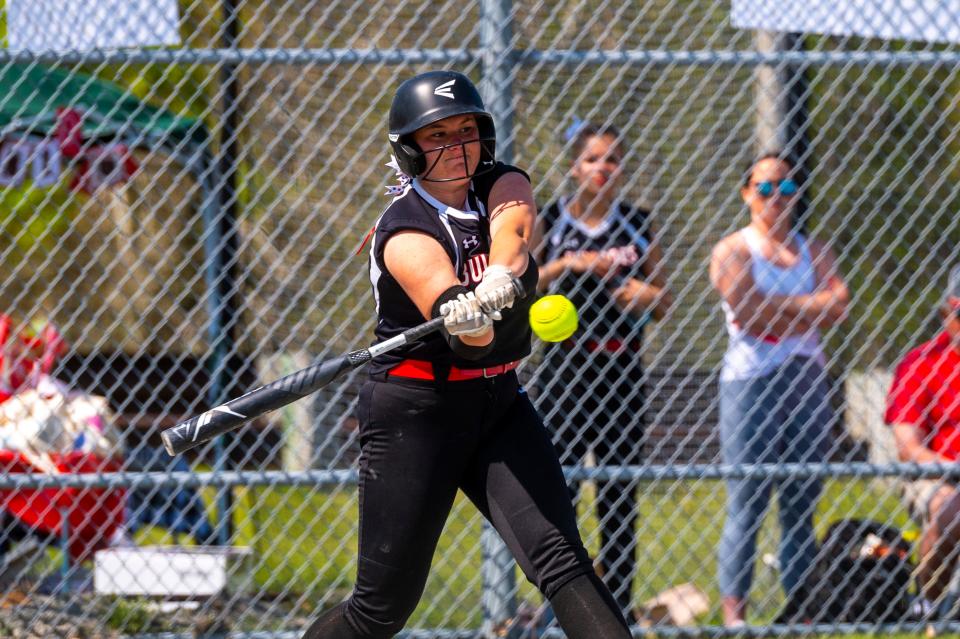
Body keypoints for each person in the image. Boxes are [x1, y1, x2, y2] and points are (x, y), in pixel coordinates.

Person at [302, 71, 631, 639]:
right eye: (437, 137)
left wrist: (502, 274)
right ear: (408, 150)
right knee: (382, 610)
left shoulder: (502, 180)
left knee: (562, 560)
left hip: (498, 403)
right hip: (415, 411)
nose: (457, 149)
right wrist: (464, 314)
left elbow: (515, 227)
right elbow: (462, 330)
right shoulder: (402, 228)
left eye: (466, 132)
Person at [533, 121, 672, 616]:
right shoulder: (552, 219)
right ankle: (561, 605)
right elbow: (524, 284)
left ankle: (618, 607)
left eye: (612, 160)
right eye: (593, 159)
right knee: (558, 488)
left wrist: (645, 294)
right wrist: (571, 266)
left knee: (618, 492)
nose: (602, 169)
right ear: (575, 167)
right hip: (565, 370)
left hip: (621, 368)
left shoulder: (636, 221)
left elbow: (662, 300)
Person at [709, 151, 849, 626]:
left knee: (801, 501)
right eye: (765, 188)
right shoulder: (733, 249)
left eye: (786, 188)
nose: (776, 198)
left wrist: (775, 308)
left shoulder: (816, 250)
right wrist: (808, 309)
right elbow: (746, 313)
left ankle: (801, 615)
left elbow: (839, 306)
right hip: (751, 381)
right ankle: (736, 618)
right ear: (748, 193)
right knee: (746, 499)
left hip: (807, 380)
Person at [885, 264, 960, 607]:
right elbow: (908, 448)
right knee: (953, 509)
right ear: (947, 312)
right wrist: (952, 466)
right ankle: (929, 601)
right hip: (934, 474)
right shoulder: (920, 363)